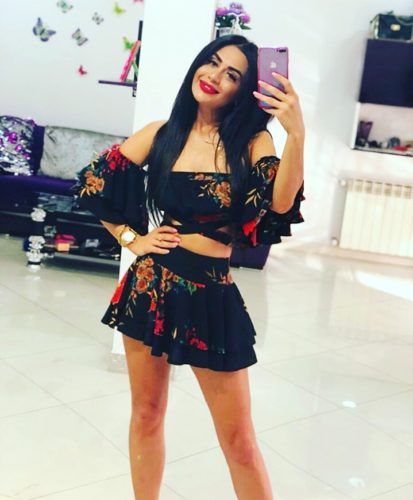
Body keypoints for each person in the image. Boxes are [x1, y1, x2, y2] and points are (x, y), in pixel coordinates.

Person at [73, 34, 305, 500]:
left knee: (239, 442)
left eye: (232, 74)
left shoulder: (253, 141)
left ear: (243, 91)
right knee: (147, 414)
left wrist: (296, 134)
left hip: (211, 294)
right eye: (212, 63)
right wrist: (132, 240)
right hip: (150, 286)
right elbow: (94, 184)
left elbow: (280, 202)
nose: (215, 76)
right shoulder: (162, 134)